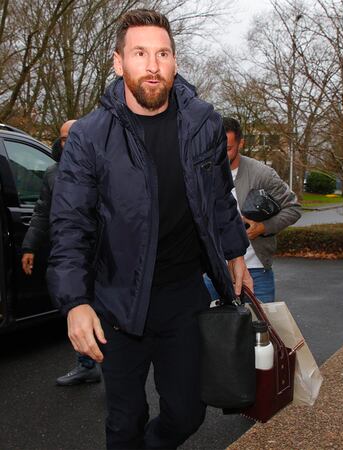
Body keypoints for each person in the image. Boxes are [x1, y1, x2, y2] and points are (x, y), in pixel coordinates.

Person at [47, 9, 252, 450]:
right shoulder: (88, 136)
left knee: (188, 412)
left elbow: (218, 197)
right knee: (124, 422)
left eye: (163, 53)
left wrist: (235, 252)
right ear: (119, 62)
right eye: (140, 53)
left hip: (183, 295)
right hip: (117, 302)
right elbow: (70, 225)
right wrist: (75, 302)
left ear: (175, 62)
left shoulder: (204, 123)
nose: (153, 65)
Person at [21, 120, 101, 386]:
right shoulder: (53, 173)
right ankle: (86, 364)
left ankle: (116, 372)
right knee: (77, 307)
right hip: (70, 256)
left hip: (101, 255)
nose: (69, 143)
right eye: (64, 139)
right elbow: (42, 212)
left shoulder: (102, 168)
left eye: (73, 137)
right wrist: (29, 246)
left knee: (105, 310)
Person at [205, 117, 301, 302]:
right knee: (206, 331)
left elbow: (293, 208)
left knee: (259, 330)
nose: (220, 154)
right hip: (212, 273)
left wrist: (263, 227)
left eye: (227, 149)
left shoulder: (262, 174)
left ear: (241, 143)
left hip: (256, 273)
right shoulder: (202, 173)